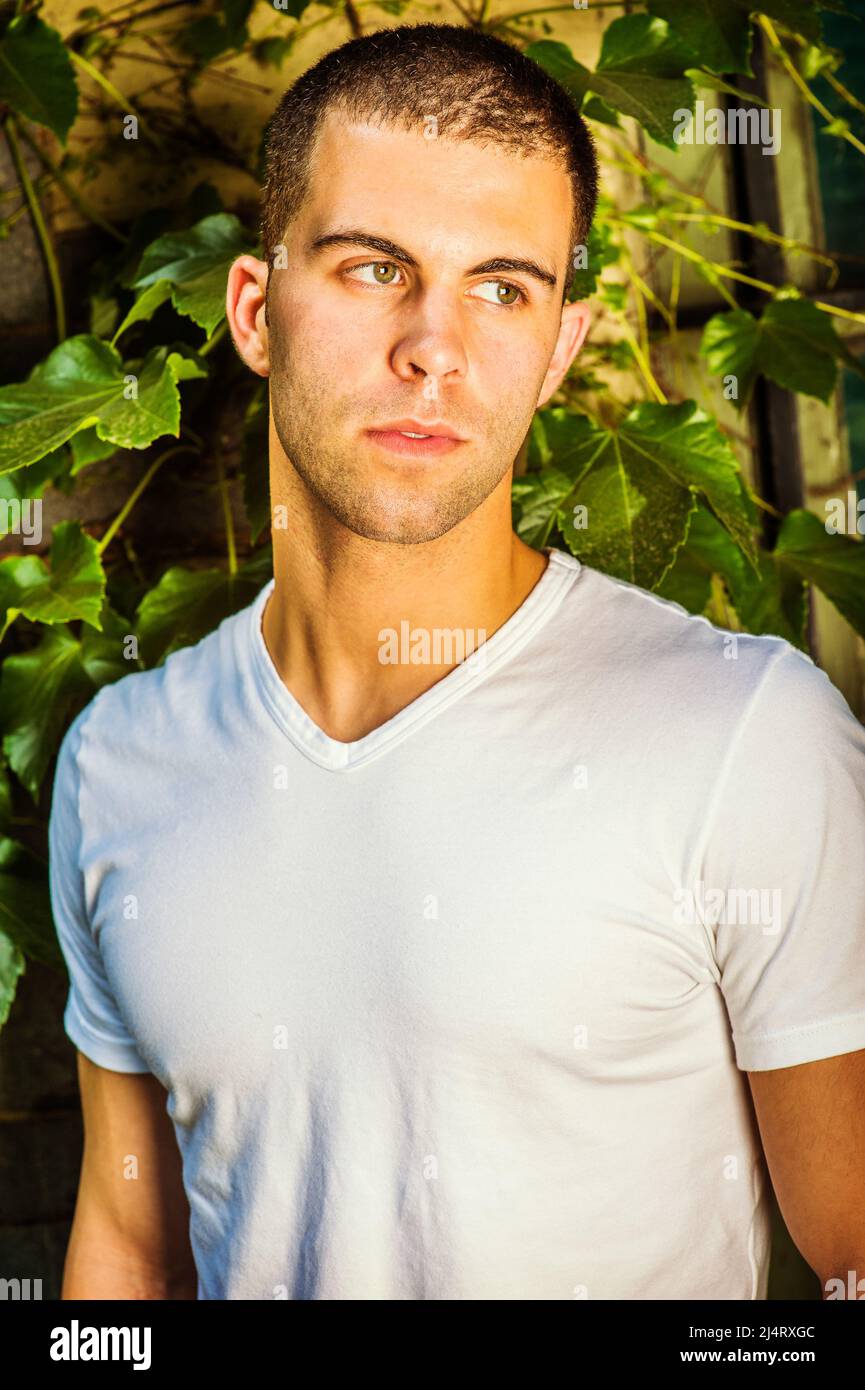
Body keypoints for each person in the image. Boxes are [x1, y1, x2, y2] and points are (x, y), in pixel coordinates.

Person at [50, 23, 865, 1301]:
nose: (435, 345)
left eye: (502, 287)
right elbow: (127, 1247)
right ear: (256, 311)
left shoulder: (742, 728)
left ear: (555, 348)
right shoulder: (119, 757)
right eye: (376, 268)